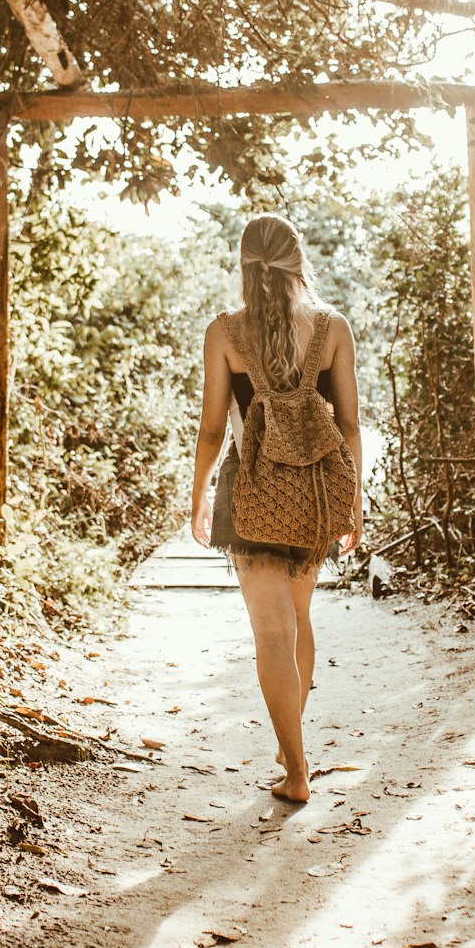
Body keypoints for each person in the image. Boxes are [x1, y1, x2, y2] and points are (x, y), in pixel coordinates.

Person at [190, 214, 363, 804]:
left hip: (253, 488)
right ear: (298, 260)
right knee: (299, 617)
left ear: (245, 264)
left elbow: (215, 430)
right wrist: (354, 502)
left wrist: (198, 497)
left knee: (270, 631)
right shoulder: (332, 327)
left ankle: (296, 768)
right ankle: (292, 747)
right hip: (316, 492)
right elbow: (349, 425)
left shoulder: (225, 332)